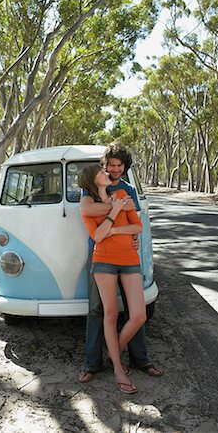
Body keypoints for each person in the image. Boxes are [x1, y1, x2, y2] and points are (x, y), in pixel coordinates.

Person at [78, 143, 163, 386]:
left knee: (135, 311)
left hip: (126, 252)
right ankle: (93, 364)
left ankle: (140, 359)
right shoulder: (90, 189)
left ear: (125, 168)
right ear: (104, 167)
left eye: (119, 166)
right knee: (98, 309)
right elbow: (87, 209)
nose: (114, 170)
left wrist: (129, 231)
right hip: (99, 252)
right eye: (111, 165)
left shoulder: (127, 189)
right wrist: (116, 207)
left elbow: (135, 221)